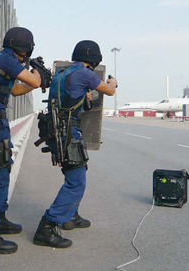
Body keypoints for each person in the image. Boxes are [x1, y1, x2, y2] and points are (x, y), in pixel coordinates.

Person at [33, 40, 117, 248]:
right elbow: (109, 91)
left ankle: (70, 215)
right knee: (76, 181)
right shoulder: (86, 73)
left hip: (57, 130)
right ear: (94, 59)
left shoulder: (61, 74)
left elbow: (69, 99)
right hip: (69, 132)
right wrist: (113, 82)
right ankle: (47, 226)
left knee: (75, 173)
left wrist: (84, 96)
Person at [0, 27, 41, 254]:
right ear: (25, 48)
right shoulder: (8, 60)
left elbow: (16, 90)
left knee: (2, 169)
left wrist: (35, 78)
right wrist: (39, 74)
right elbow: (33, 81)